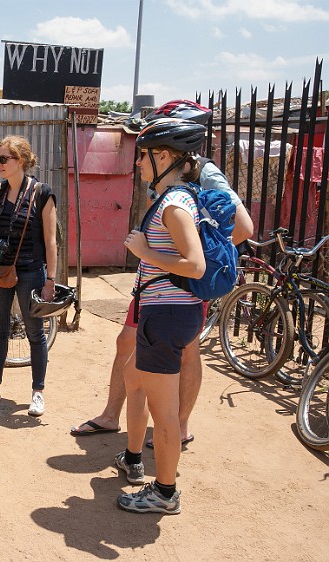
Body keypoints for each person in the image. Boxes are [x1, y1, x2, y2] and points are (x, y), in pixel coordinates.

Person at [71, 101, 254, 445]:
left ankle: (178, 427)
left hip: (181, 283)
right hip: (154, 281)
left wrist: (187, 257)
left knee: (186, 351)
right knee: (127, 342)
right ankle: (112, 416)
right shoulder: (165, 172)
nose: (140, 158)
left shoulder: (205, 172)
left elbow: (243, 227)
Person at [115, 118, 208, 514]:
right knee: (132, 378)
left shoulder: (173, 205)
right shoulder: (180, 197)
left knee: (164, 414)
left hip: (166, 315)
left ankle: (166, 493)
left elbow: (195, 264)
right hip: (171, 313)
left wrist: (144, 252)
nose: (138, 164)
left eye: (144, 156)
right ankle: (133, 457)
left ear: (166, 157)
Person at [0, 135, 58, 417]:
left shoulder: (42, 193)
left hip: (32, 270)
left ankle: (38, 393)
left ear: (20, 161)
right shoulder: (2, 189)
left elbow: (51, 240)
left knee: (34, 333)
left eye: (3, 158)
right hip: (2, 269)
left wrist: (50, 280)